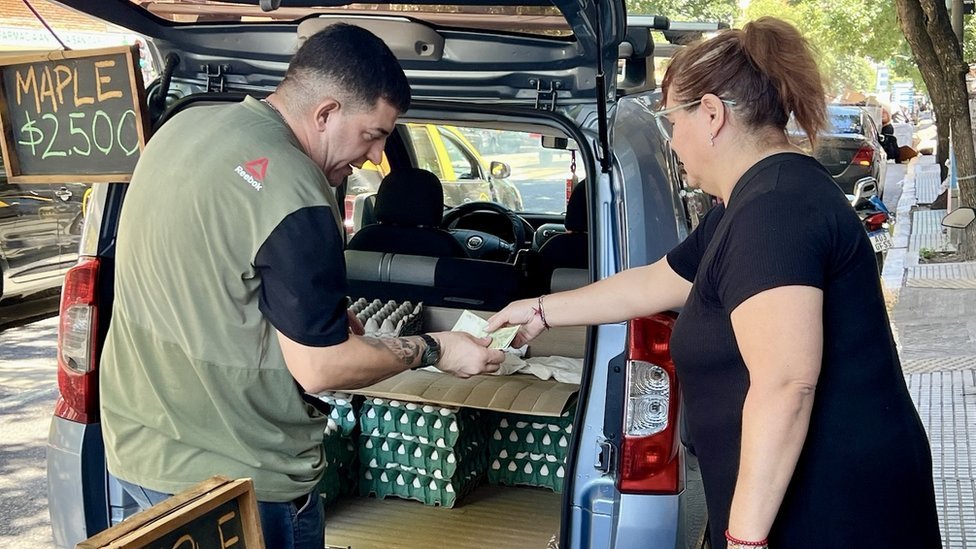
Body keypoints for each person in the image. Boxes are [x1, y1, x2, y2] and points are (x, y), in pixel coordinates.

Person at [487, 17, 940, 549]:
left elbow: (785, 385)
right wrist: (539, 311)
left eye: (671, 120)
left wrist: (744, 541)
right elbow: (657, 280)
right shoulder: (748, 202)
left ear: (711, 114)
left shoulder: (775, 210)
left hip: (831, 511)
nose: (672, 141)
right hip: (803, 501)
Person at [99, 23, 504, 549]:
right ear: (326, 113)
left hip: (136, 450)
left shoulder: (181, 127)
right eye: (374, 134)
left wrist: (317, 320)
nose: (378, 158)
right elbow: (321, 368)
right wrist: (436, 347)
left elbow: (208, 281)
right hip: (236, 483)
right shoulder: (296, 191)